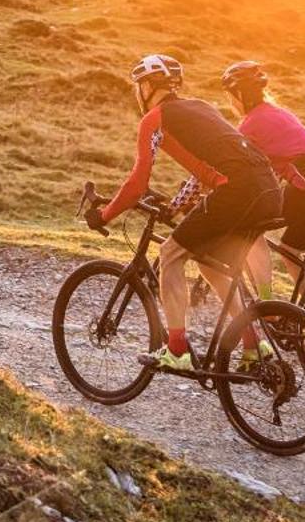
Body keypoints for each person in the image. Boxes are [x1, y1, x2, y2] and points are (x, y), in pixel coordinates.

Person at [84, 54, 286, 372]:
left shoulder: (155, 119)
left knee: (170, 254)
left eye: (139, 86)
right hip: (268, 190)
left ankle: (177, 351)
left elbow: (138, 183)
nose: (138, 92)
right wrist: (177, 205)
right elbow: (209, 169)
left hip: (237, 191)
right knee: (210, 266)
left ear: (148, 86)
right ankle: (252, 346)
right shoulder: (202, 107)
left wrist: (104, 215)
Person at [221, 60, 305, 298]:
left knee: (249, 230)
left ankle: (267, 303)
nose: (230, 103)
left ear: (239, 94)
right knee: (290, 252)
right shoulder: (279, 113)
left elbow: (236, 171)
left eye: (230, 96)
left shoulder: (250, 124)